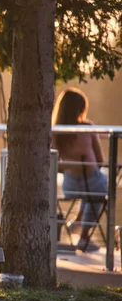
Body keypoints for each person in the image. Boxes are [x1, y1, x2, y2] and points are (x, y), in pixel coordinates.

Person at [52, 87, 106, 252]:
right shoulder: (87, 128)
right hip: (92, 183)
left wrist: (70, 165)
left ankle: (77, 221)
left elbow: (54, 162)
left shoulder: (55, 132)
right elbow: (100, 161)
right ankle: (83, 235)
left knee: (89, 194)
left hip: (70, 186)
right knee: (99, 193)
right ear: (80, 109)